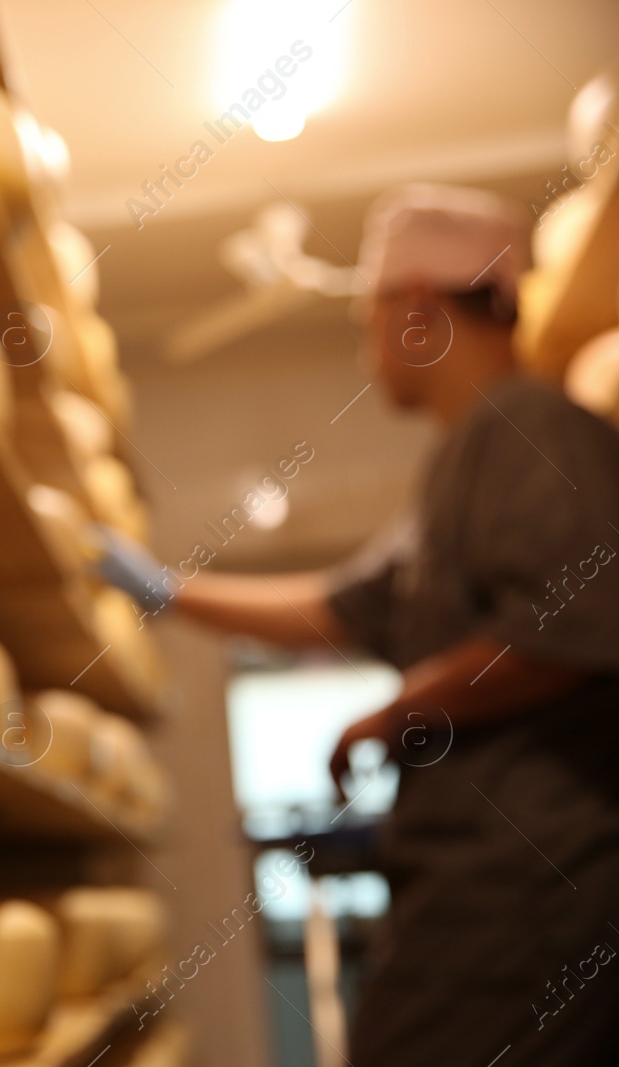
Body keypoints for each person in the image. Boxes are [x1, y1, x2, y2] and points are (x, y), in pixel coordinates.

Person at [94, 183, 619, 1064]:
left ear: (416, 308)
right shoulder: (464, 459)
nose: (366, 349)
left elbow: (576, 620)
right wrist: (163, 589)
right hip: (483, 886)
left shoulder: (528, 426)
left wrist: (398, 708)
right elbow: (338, 605)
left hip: (532, 892)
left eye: (365, 318)